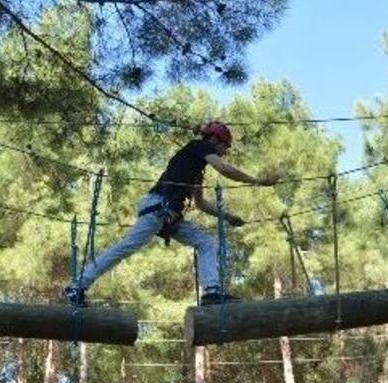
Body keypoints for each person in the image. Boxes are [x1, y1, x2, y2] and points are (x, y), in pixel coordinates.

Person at [64, 121, 278, 307]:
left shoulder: (195, 167)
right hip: (158, 207)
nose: (225, 151)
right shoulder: (198, 146)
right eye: (225, 146)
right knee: (126, 247)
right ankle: (77, 286)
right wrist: (257, 181)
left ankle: (211, 292)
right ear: (214, 140)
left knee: (206, 243)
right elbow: (224, 169)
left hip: (170, 215)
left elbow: (200, 203)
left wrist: (227, 216)